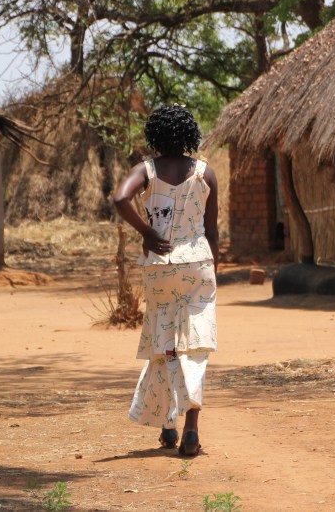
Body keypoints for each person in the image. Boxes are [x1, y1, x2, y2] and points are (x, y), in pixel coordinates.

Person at [113, 104, 219, 456]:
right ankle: (191, 427)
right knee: (195, 347)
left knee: (166, 343)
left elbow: (120, 198)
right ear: (190, 135)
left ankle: (167, 422)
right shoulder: (205, 173)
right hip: (198, 264)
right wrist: (213, 269)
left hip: (160, 266)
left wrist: (147, 232)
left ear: (154, 135)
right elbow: (212, 233)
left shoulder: (146, 170)